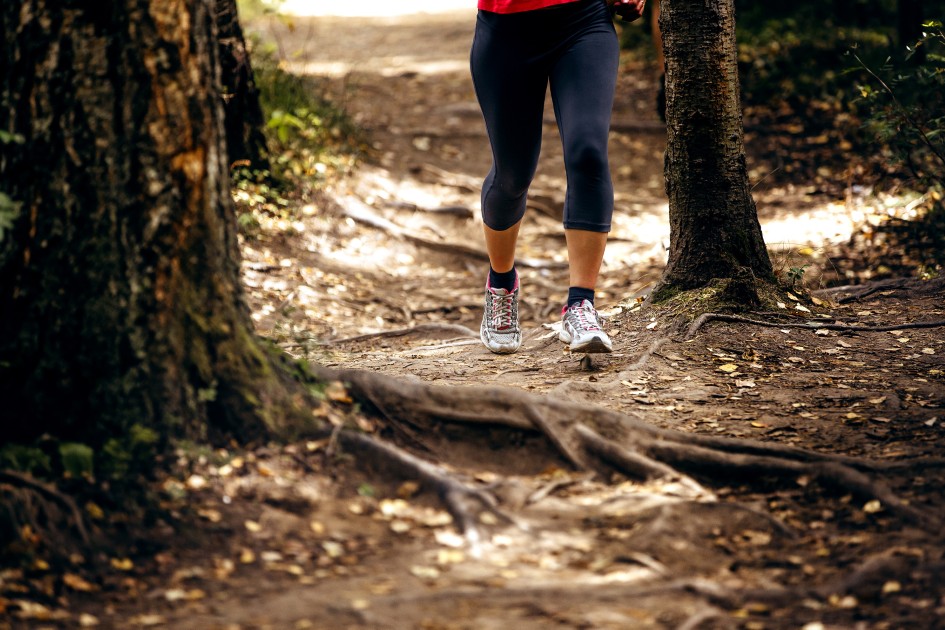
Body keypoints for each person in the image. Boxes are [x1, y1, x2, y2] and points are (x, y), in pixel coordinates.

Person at [472, 0, 645, 355]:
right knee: (513, 174)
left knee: (588, 153)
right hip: (505, 29)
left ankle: (580, 305)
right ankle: (501, 285)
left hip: (584, 22)